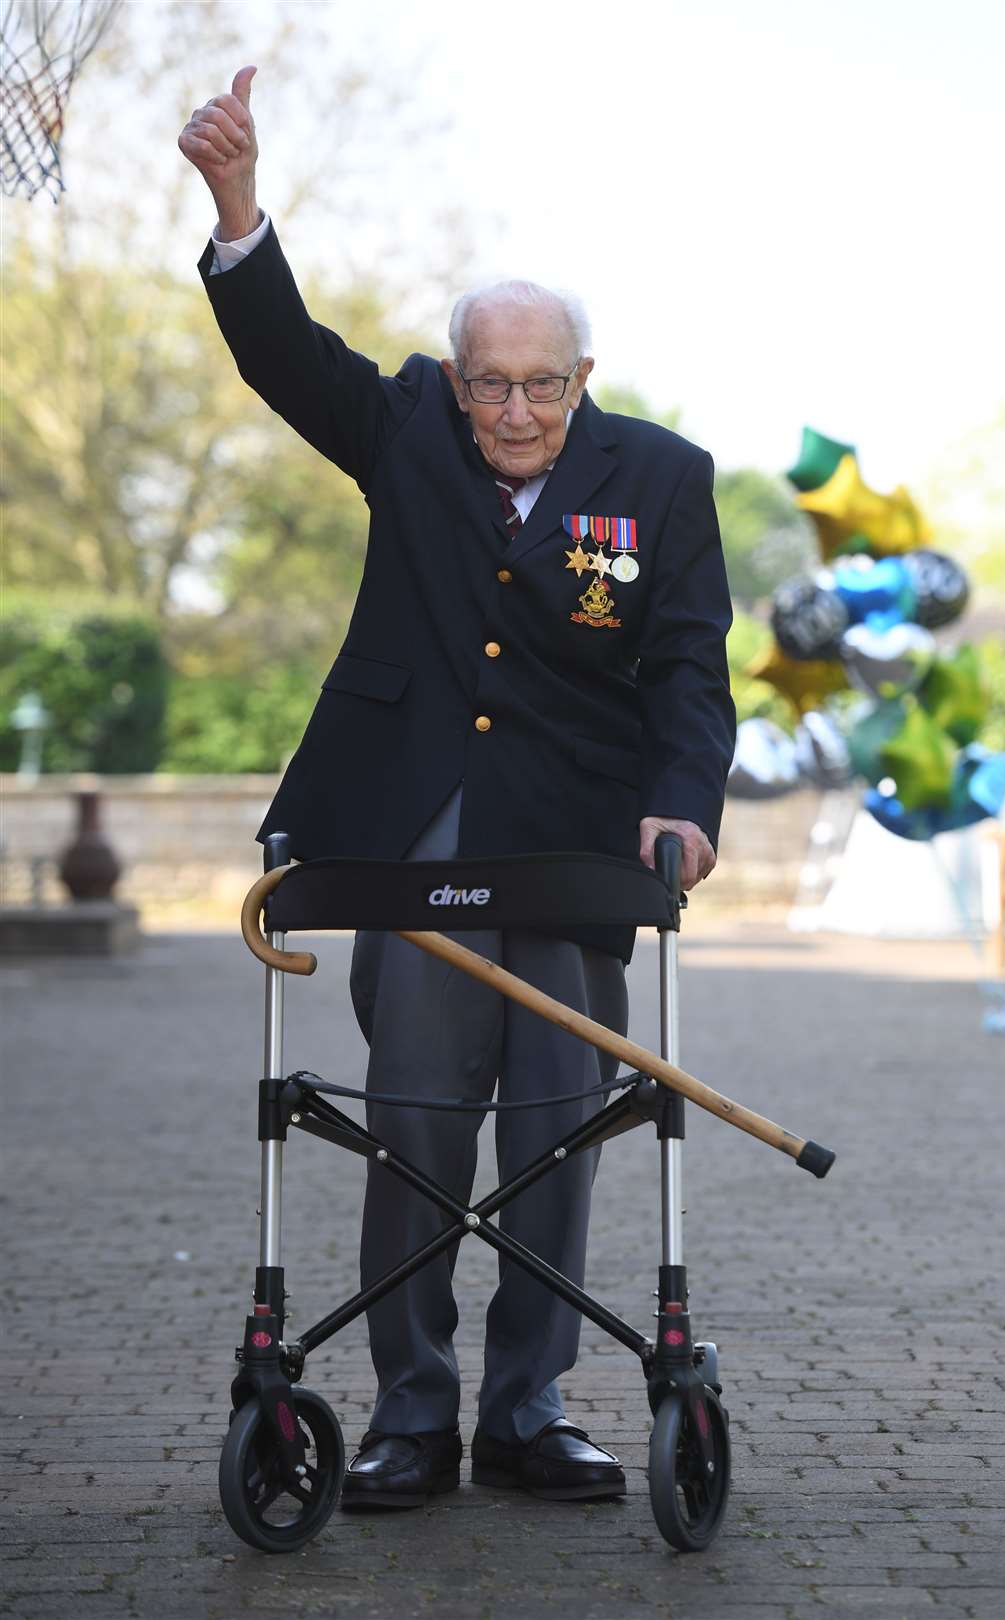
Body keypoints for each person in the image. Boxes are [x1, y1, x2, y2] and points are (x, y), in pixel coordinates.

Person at [180, 66, 736, 1511]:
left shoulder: (663, 480)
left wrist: (685, 802)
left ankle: (529, 1406)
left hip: (578, 837)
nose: (514, 409)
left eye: (544, 384)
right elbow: (289, 361)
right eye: (491, 381)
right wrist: (240, 209)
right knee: (419, 1122)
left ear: (586, 380)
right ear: (457, 377)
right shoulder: (410, 428)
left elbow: (688, 664)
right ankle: (411, 1412)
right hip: (414, 832)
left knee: (560, 1121)